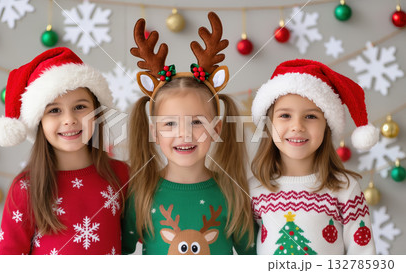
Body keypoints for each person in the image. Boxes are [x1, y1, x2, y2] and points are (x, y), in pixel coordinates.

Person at [121, 12, 256, 255]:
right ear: (154, 132)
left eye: (196, 122)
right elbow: (116, 251)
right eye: (170, 124)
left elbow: (255, 257)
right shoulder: (140, 193)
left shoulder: (233, 192)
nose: (184, 134)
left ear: (216, 129)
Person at [0, 47, 129, 255]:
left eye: (80, 107)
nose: (69, 120)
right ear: (39, 122)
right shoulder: (26, 189)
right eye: (54, 110)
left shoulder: (121, 175)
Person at [249, 59, 378, 255]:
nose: (297, 126)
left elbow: (363, 256)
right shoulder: (254, 188)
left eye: (310, 116)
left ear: (326, 126)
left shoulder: (344, 188)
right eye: (285, 115)